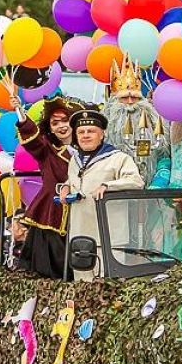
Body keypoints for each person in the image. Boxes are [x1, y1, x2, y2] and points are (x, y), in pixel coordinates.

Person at [61, 108, 145, 279]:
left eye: (91, 131)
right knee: (82, 288)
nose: (85, 135)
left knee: (109, 288)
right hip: (80, 235)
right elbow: (75, 181)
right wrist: (65, 187)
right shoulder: (74, 160)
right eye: (81, 132)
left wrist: (108, 185)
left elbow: (136, 181)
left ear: (102, 134)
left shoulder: (118, 158)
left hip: (109, 236)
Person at [12, 95, 79, 278]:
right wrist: (21, 113)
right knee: (48, 272)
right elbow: (33, 141)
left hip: (83, 215)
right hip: (52, 218)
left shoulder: (89, 149)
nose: (61, 126)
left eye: (65, 120)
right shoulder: (47, 150)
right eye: (55, 123)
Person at [103, 60, 169, 186]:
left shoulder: (154, 120)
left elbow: (164, 156)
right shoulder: (105, 127)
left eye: (134, 97)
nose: (130, 102)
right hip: (117, 187)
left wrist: (159, 181)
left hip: (151, 188)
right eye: (124, 98)